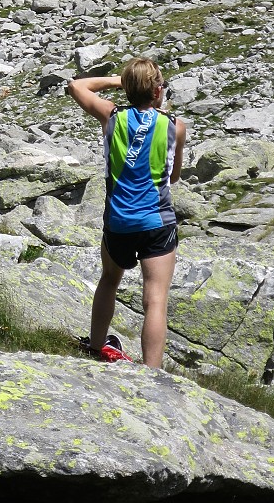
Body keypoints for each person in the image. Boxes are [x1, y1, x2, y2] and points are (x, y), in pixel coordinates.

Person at [66, 58, 185, 368]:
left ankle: (95, 346)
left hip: (118, 221)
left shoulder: (112, 116)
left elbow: (77, 85)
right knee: (155, 298)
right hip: (157, 221)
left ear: (130, 89)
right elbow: (172, 178)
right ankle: (153, 373)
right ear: (158, 91)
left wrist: (121, 81)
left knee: (109, 280)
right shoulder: (174, 126)